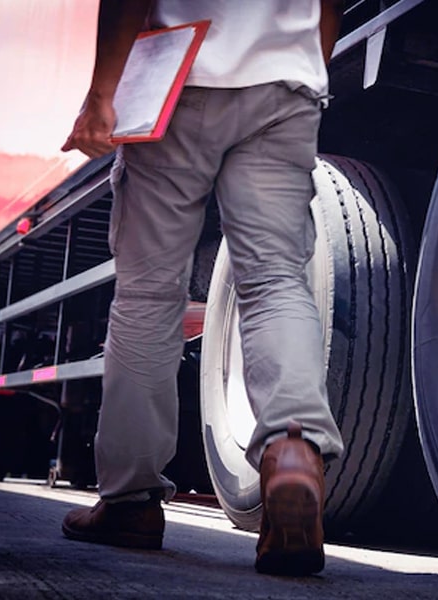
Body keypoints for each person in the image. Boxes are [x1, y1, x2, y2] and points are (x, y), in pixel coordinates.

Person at [59, 0, 346, 576]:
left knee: (148, 295)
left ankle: (130, 503)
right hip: (286, 83)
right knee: (275, 280)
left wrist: (102, 93)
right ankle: (292, 451)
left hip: (181, 78)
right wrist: (305, 69)